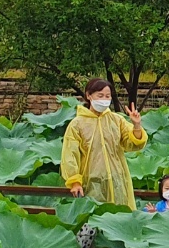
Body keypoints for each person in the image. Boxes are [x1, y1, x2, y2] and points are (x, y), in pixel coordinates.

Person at [61, 78, 146, 207]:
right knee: (94, 217)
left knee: (119, 216)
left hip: (117, 182)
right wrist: (75, 182)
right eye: (100, 96)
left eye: (107, 96)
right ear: (88, 95)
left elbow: (133, 144)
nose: (104, 99)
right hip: (91, 183)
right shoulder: (77, 124)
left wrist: (137, 126)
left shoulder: (117, 120)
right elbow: (69, 155)